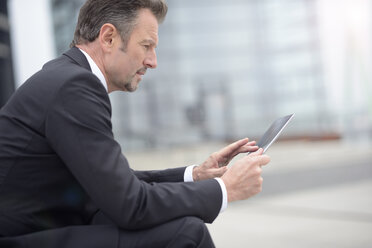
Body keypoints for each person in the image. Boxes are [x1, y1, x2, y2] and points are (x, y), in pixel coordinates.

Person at [0, 0, 270, 247]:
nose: (152, 61)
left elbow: (114, 186)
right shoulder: (74, 86)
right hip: (20, 238)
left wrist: (195, 176)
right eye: (146, 46)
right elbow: (130, 205)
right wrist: (225, 189)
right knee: (186, 233)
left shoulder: (67, 77)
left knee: (178, 227)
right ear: (108, 38)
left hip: (41, 224)